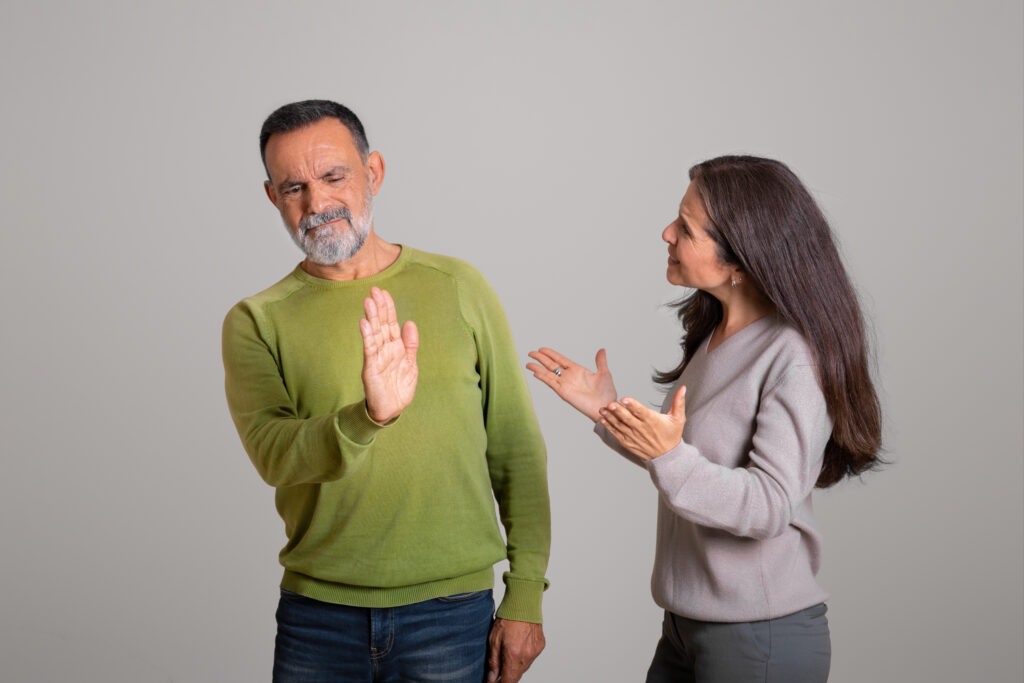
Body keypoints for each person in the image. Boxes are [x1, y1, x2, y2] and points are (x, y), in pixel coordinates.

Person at [222, 100, 549, 683]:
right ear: (272, 197)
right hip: (319, 617)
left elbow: (516, 449)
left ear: (373, 172)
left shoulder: (459, 287)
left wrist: (525, 593)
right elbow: (274, 455)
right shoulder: (256, 319)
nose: (317, 204)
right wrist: (368, 416)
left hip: (452, 613)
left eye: (333, 176)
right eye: (293, 186)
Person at [527, 155, 882, 682]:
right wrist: (606, 407)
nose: (666, 233)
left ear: (739, 260)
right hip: (685, 625)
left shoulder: (794, 356)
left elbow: (767, 506)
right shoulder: (718, 333)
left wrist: (668, 452)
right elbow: (685, 455)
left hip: (758, 637)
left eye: (686, 228)